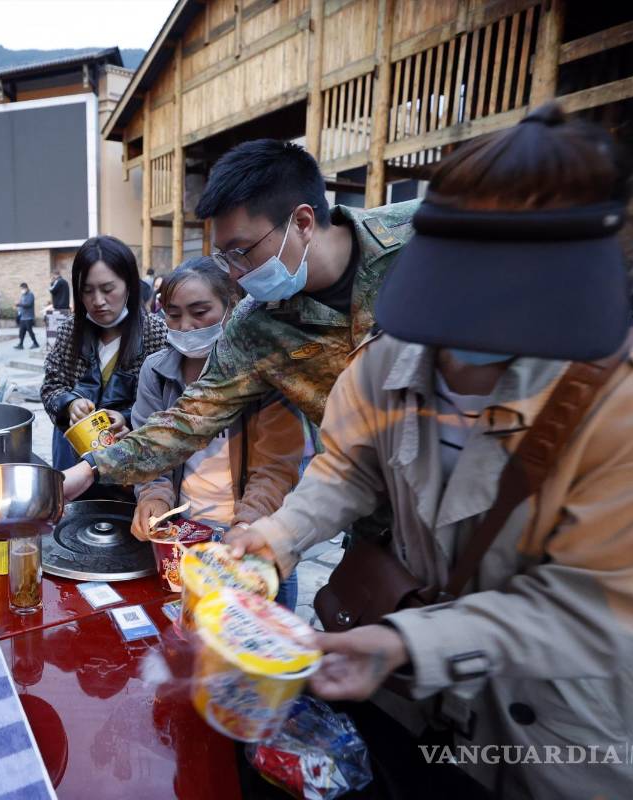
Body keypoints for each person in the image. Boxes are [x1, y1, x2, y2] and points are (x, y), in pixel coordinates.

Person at [227, 103, 633, 800]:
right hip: (403, 703)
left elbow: (603, 601)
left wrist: (411, 642)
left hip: (547, 733)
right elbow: (349, 466)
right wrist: (280, 535)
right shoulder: (390, 357)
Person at [60, 139, 418, 503]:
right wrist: (88, 469)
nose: (233, 272)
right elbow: (190, 420)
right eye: (224, 255)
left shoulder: (426, 237)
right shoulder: (254, 328)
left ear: (302, 222)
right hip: (378, 511)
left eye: (241, 252)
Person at [129, 257, 309, 609]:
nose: (186, 325)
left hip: (254, 536)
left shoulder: (263, 370)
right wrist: (153, 497)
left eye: (200, 312)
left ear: (230, 305)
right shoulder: (157, 371)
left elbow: (275, 468)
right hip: (186, 534)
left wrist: (246, 527)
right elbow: (149, 450)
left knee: (258, 642)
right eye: (174, 313)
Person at [41, 235, 169, 487]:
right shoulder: (70, 332)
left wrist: (129, 419)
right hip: (72, 459)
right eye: (87, 291)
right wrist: (69, 404)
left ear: (129, 285)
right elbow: (51, 386)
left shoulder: (156, 332)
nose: (98, 301)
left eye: (108, 289)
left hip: (130, 463)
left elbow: (167, 404)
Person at [15, 282, 39, 349]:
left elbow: (28, 304)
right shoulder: (23, 295)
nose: (22, 290)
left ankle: (35, 343)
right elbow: (21, 304)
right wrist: (19, 309)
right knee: (22, 331)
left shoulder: (30, 295)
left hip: (29, 317)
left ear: (26, 288)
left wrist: (19, 304)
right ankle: (21, 344)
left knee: (30, 330)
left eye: (23, 288)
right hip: (23, 317)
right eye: (21, 289)